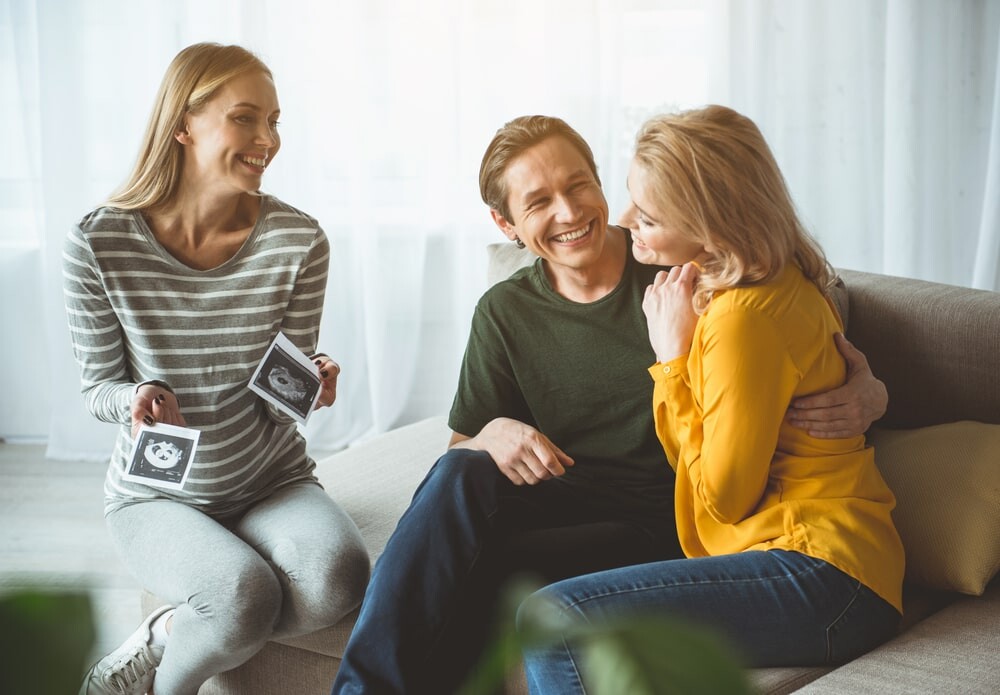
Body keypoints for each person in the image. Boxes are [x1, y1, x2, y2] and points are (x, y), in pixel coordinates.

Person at [329, 115, 888, 694]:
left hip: (666, 523)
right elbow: (456, 469)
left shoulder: (678, 262)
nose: (569, 213)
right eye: (540, 201)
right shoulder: (504, 312)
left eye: (578, 186)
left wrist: (869, 389)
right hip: (570, 510)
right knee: (460, 474)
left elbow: (784, 300)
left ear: (601, 184)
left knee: (483, 581)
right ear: (506, 224)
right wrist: (489, 432)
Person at [516, 105, 905, 694]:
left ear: (711, 224)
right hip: (840, 569)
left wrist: (671, 363)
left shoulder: (742, 319)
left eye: (645, 217)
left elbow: (724, 498)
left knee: (556, 619)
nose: (624, 221)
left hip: (824, 573)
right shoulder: (776, 279)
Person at [66, 43, 370, 695]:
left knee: (341, 578)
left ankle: (176, 626)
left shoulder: (299, 239)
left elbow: (279, 386)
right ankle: (162, 668)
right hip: (157, 494)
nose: (268, 139)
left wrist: (310, 381)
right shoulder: (98, 241)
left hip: (270, 477)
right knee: (239, 595)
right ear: (183, 123)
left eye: (275, 121)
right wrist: (134, 397)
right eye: (245, 118)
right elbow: (97, 388)